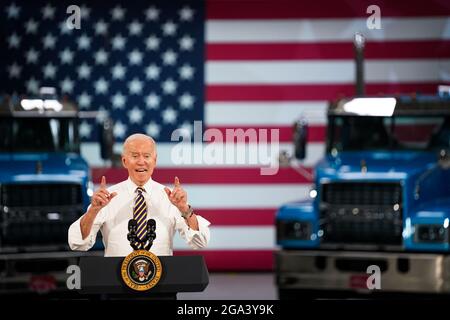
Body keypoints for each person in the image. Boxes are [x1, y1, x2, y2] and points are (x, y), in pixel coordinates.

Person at [68, 133, 210, 256]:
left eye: (147, 156)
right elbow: (77, 243)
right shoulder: (106, 198)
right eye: (135, 156)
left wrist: (184, 209)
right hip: (117, 283)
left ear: (155, 161)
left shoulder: (171, 199)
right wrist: (93, 210)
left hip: (161, 283)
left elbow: (200, 242)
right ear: (124, 161)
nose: (141, 162)